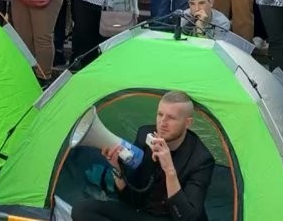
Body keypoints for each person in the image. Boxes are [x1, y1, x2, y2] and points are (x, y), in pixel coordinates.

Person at [71, 91, 215, 221]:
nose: (162, 123)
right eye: (160, 114)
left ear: (187, 123)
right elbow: (129, 198)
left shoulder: (201, 159)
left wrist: (170, 171)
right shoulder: (144, 135)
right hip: (142, 213)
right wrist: (116, 168)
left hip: (170, 217)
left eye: (171, 118)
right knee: (82, 210)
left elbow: (188, 217)